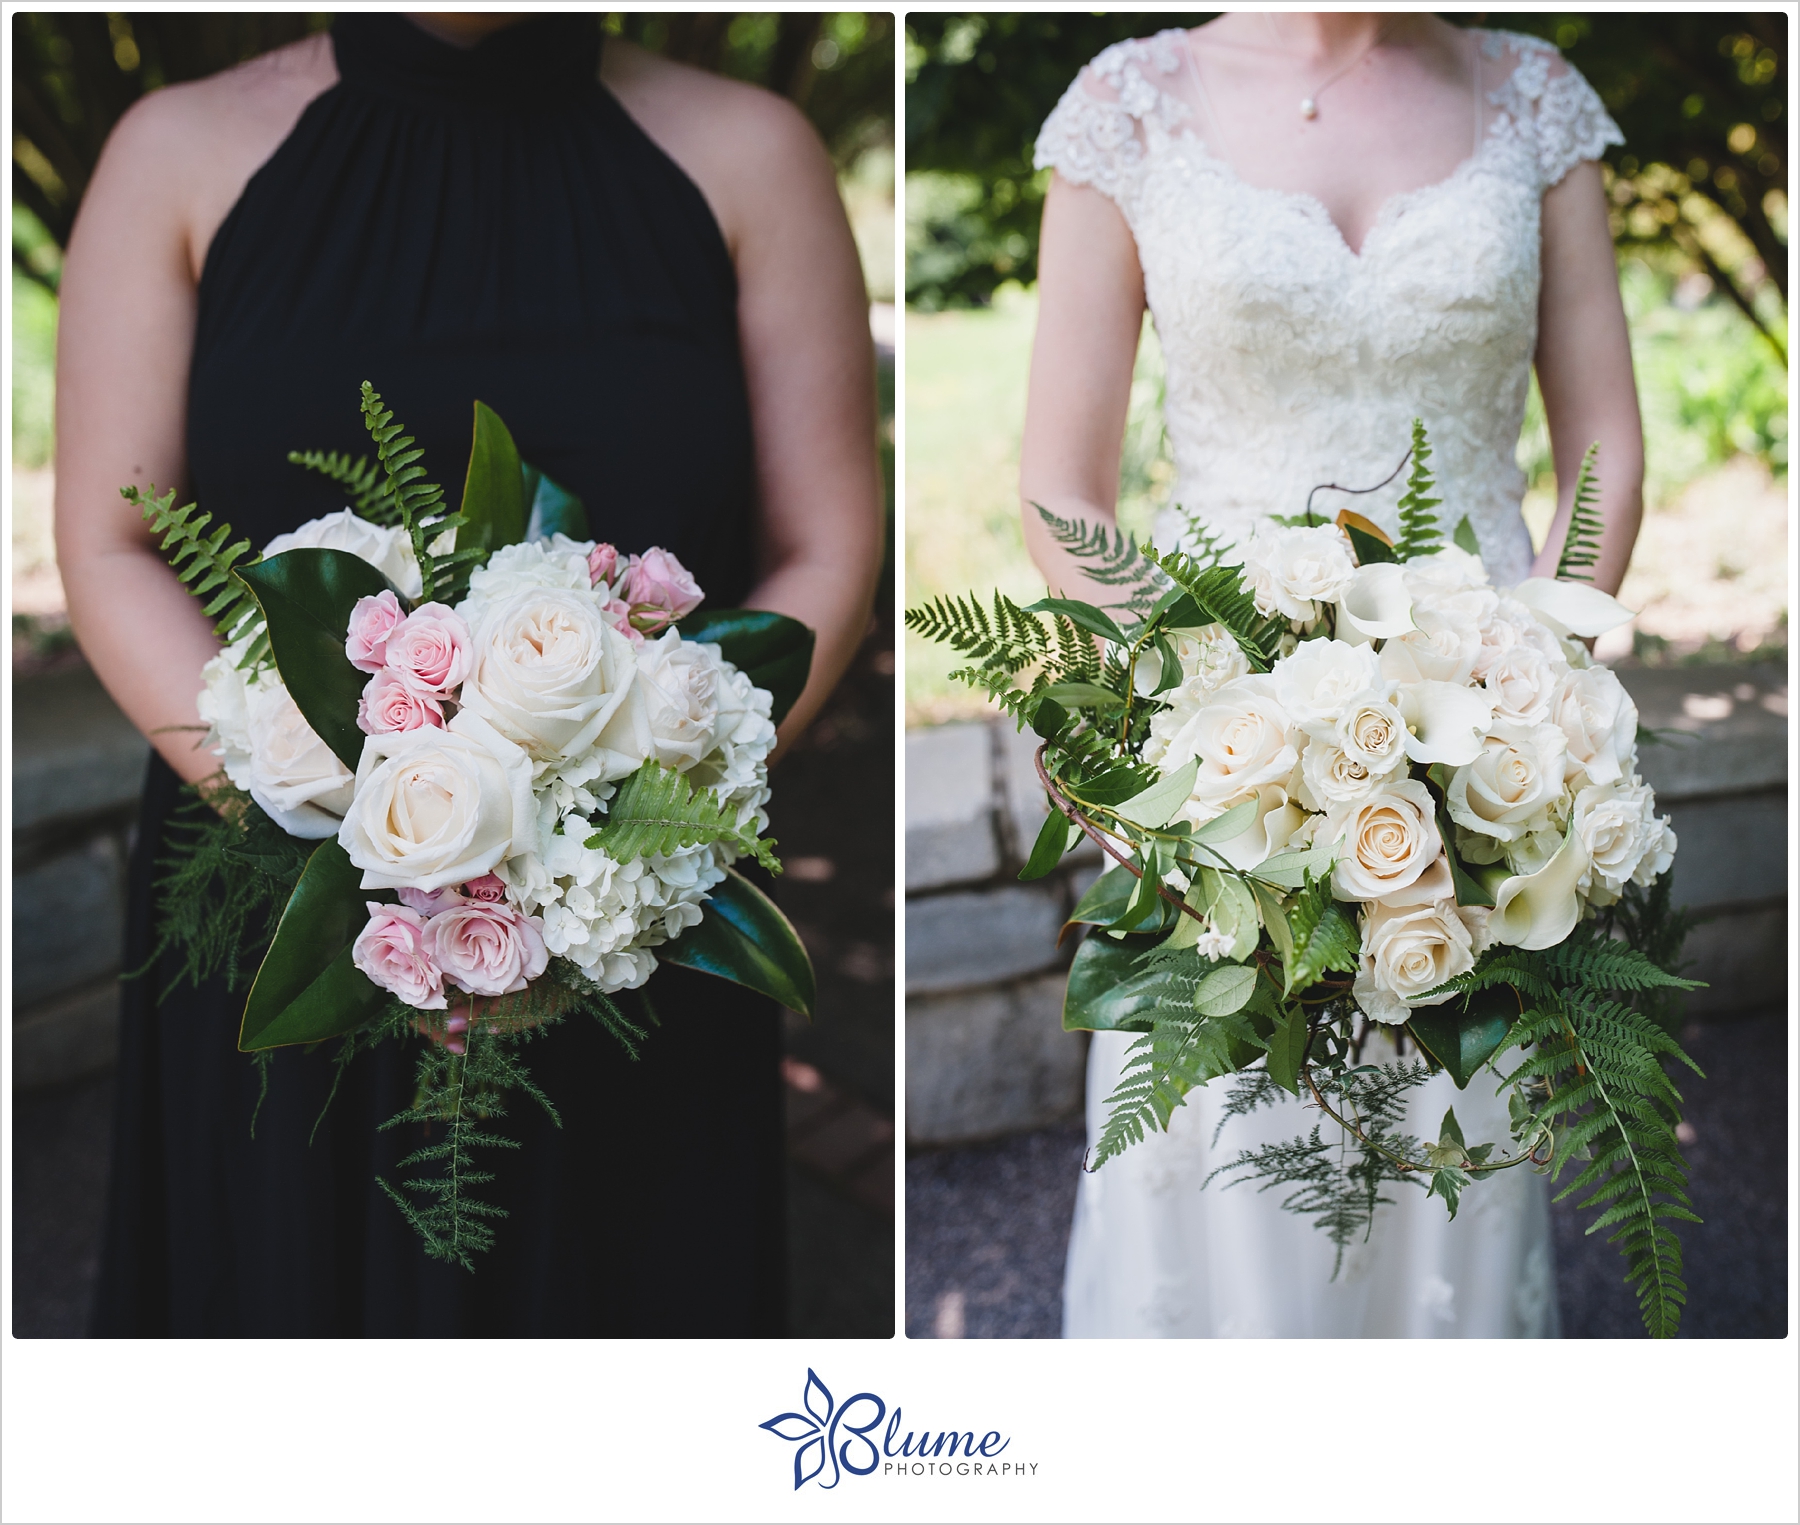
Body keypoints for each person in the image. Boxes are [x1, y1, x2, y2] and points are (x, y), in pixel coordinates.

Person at [57, 12, 882, 1335]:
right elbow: (111, 542)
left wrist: (609, 837)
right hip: (282, 915)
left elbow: (826, 543)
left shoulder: (750, 158)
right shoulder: (177, 157)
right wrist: (338, 830)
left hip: (634, 943)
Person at [1020, 14, 1641, 1337]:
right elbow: (1060, 490)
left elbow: (1603, 450)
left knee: (1449, 1172)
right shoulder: (1131, 107)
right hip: (1223, 765)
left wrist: (1532, 694)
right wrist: (1186, 719)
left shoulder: (1532, 96)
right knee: (1223, 1156)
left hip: (1487, 760)